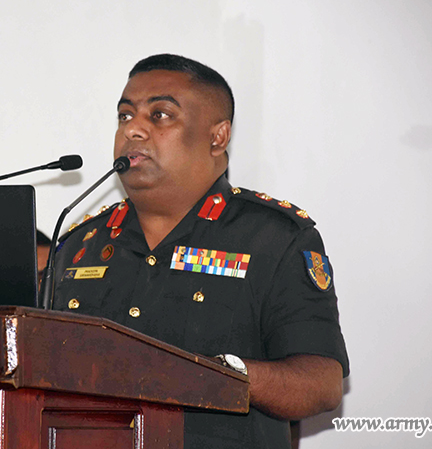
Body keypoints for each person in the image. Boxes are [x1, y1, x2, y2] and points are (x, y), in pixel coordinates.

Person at [51, 54, 349, 448]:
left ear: (218, 137)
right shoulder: (80, 246)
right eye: (125, 115)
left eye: (159, 115)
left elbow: (321, 384)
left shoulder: (272, 238)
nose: (133, 129)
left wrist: (213, 374)